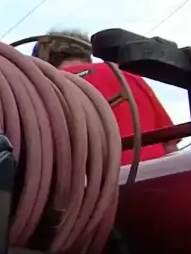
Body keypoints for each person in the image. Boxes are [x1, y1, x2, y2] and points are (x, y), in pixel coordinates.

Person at [35, 29, 176, 161]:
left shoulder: (46, 89)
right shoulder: (128, 75)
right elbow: (170, 145)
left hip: (95, 177)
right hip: (155, 170)